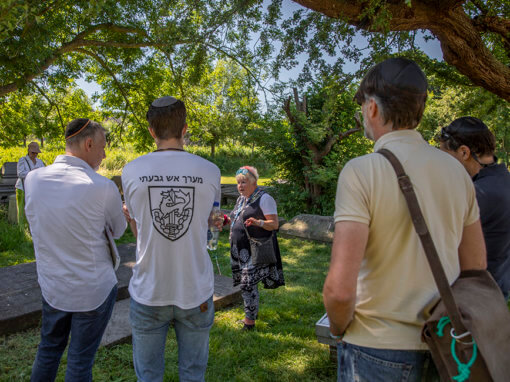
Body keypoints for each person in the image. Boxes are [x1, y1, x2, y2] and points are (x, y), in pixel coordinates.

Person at [322, 58, 487, 381]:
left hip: (375, 346)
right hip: (445, 346)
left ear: (372, 108)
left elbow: (339, 291)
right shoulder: (457, 172)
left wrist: (339, 328)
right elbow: (475, 265)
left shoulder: (361, 171)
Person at [121, 96, 220, 382]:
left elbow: (141, 234)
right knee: (193, 375)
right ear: (185, 128)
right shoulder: (210, 171)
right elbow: (209, 223)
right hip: (195, 289)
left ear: (151, 130)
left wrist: (132, 220)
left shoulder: (131, 171)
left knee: (149, 377)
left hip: (150, 290)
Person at [24, 118, 126, 381]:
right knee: (80, 361)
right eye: (103, 147)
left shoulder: (33, 180)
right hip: (92, 289)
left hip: (53, 284)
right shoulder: (102, 187)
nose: (105, 154)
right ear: (89, 144)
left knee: (48, 349)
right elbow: (118, 230)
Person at [438, 116, 510, 299]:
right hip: (497, 292)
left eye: (446, 157)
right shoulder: (502, 181)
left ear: (464, 152)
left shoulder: (480, 194)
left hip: (477, 300)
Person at [229, 166, 285, 330]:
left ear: (253, 182)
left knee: (247, 284)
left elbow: (274, 224)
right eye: (238, 182)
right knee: (246, 283)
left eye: (244, 182)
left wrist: (258, 222)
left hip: (255, 248)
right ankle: (251, 314)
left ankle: (249, 323)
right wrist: (224, 220)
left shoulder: (264, 198)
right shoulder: (241, 199)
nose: (240, 186)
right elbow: (236, 217)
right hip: (240, 249)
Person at [16, 141, 45, 226]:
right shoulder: (23, 160)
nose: (35, 154)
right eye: (33, 152)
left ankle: (30, 226)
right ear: (28, 151)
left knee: (32, 209)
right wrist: (33, 173)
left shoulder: (40, 162)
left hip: (34, 188)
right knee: (21, 209)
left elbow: (44, 172)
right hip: (22, 187)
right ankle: (21, 229)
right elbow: (20, 174)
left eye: (36, 153)